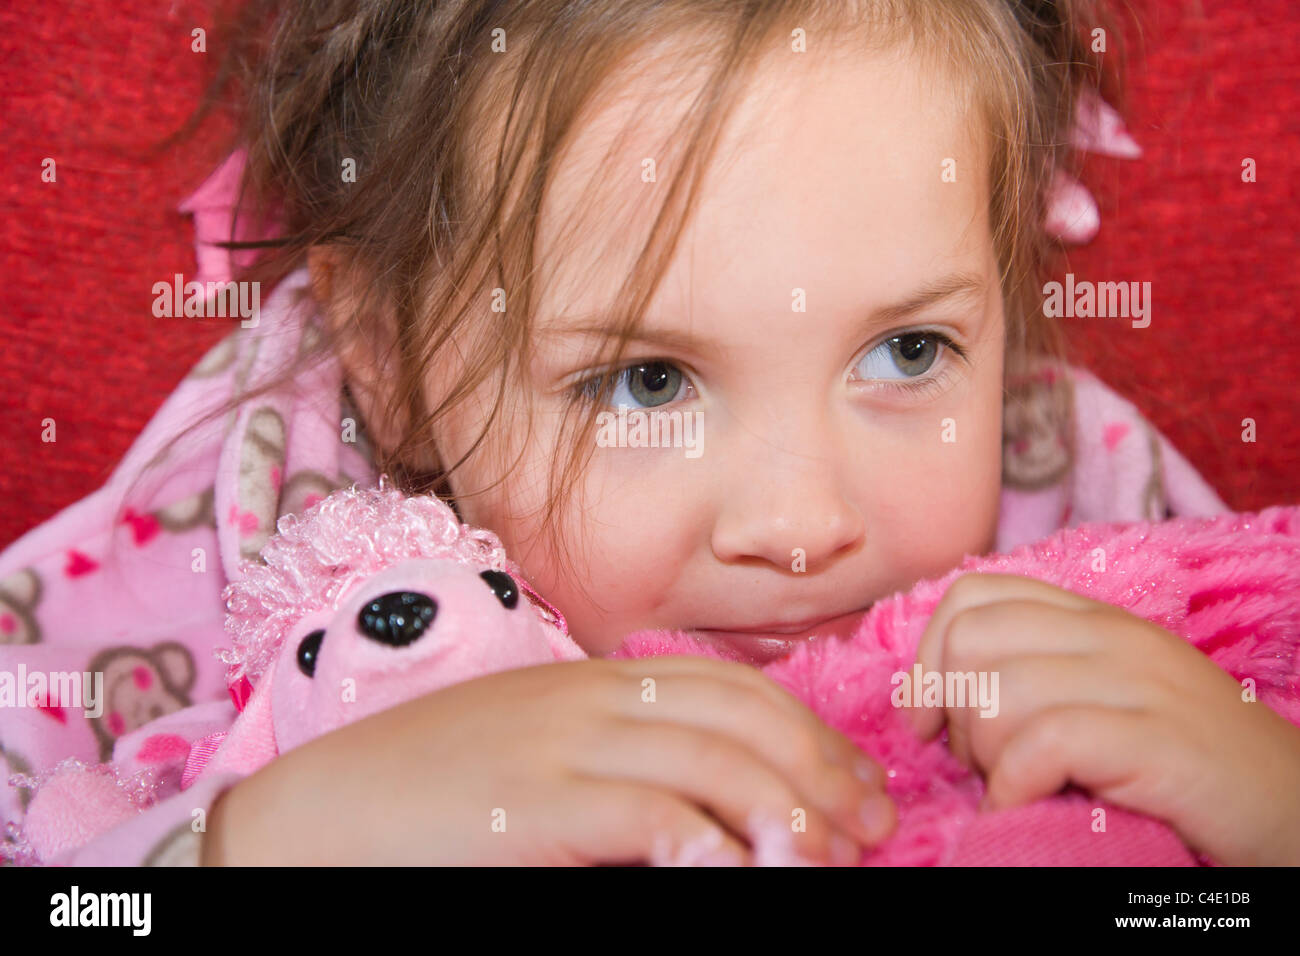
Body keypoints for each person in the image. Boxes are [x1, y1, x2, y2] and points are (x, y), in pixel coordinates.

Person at [4, 0, 1296, 867]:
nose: (800, 527)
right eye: (648, 383)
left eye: (908, 352)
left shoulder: (1077, 487)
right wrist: (260, 839)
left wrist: (1266, 796)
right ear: (391, 364)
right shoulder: (269, 528)